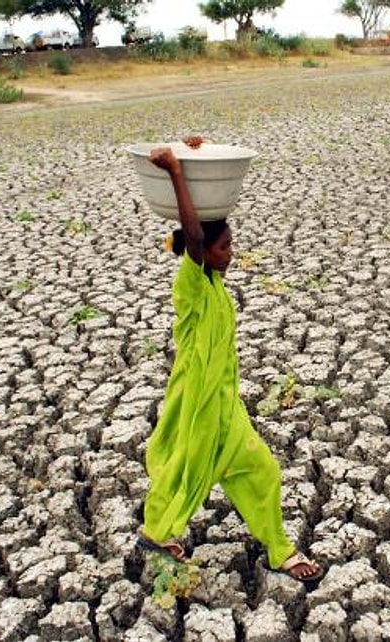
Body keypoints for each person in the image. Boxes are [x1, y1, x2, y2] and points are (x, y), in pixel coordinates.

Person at [137, 140, 323, 583]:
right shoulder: (193, 284)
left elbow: (203, 237)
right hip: (200, 402)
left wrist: (190, 153)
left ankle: (280, 549)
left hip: (225, 404)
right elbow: (196, 238)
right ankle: (158, 533)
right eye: (225, 248)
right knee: (186, 469)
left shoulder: (217, 286)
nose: (230, 254)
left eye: (230, 245)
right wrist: (177, 174)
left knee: (262, 470)